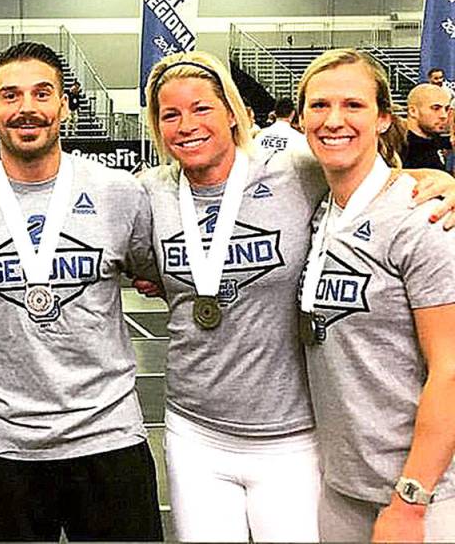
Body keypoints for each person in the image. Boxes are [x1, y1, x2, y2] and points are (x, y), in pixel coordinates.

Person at [138, 50, 455, 543]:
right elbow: (138, 264)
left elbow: (366, 170)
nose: (187, 125)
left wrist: (436, 181)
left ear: (233, 112)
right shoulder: (149, 194)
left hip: (295, 439)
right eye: (170, 114)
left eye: (202, 108)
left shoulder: (295, 170)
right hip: (196, 430)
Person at [0, 41, 163, 542]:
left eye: (42, 93)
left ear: (65, 106)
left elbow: (164, 278)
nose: (26, 107)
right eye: (10, 96)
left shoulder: (120, 193)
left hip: (109, 440)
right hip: (3, 451)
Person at [298, 49, 455, 542]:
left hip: (422, 495)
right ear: (301, 118)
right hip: (343, 490)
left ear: (384, 118)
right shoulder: (319, 210)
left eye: (353, 106)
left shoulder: (423, 218)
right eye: (319, 106)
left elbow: (450, 369)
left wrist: (411, 500)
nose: (333, 121)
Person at [402, 83, 452, 172]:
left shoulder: (434, 139)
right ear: (413, 111)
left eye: (446, 109)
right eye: (436, 108)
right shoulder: (402, 149)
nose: (444, 115)